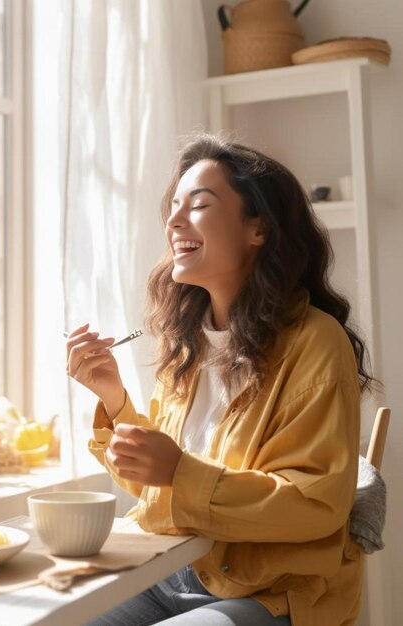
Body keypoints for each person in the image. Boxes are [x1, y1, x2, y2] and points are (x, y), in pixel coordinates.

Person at [65, 134, 374, 626]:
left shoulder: (316, 341)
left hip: (270, 591)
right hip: (168, 573)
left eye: (199, 204)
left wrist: (179, 472)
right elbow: (156, 488)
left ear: (258, 228)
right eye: (173, 207)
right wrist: (114, 398)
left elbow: (314, 505)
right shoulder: (188, 343)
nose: (173, 220)